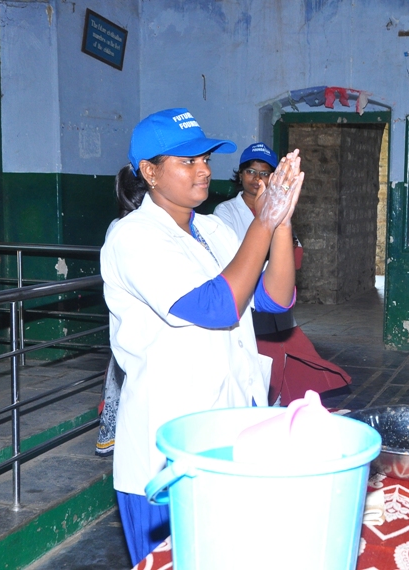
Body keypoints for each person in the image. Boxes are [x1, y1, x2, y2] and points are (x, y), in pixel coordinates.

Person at [100, 108, 303, 564]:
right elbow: (217, 307)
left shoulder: (212, 229)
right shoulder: (132, 238)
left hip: (230, 430)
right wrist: (263, 223)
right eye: (188, 161)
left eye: (206, 158)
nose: (205, 169)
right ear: (150, 172)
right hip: (166, 450)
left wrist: (282, 221)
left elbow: (275, 298)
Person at [213, 142, 351, 405]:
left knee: (285, 364)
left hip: (274, 300)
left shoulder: (280, 208)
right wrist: (270, 246)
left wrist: (276, 244)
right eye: (251, 172)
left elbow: (292, 253)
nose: (257, 179)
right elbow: (237, 258)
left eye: (265, 173)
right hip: (249, 303)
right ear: (240, 174)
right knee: (257, 367)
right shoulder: (226, 212)